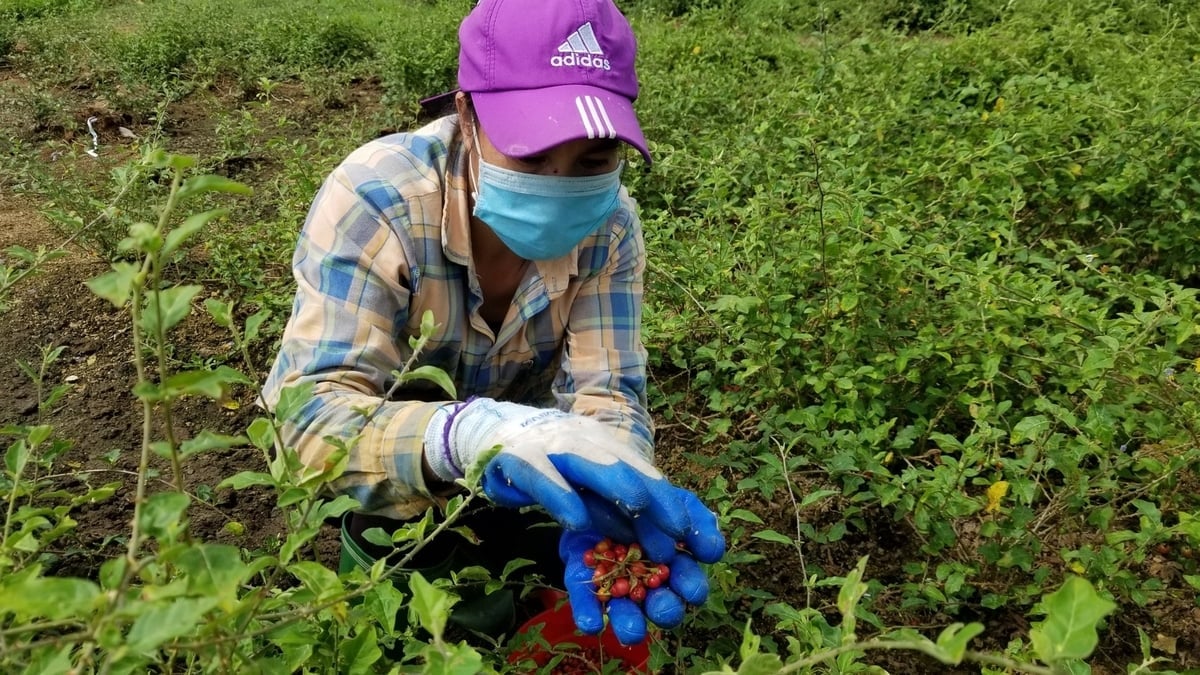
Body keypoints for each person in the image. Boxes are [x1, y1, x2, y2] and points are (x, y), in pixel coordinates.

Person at [262, 0, 725, 646]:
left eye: (593, 160)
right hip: (401, 467)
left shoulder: (610, 226)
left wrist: (619, 473)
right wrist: (465, 434)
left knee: (565, 560)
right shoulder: (378, 201)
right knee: (404, 605)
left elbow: (608, 391)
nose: (561, 185)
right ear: (469, 115)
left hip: (531, 459)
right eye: (531, 156)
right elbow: (304, 424)